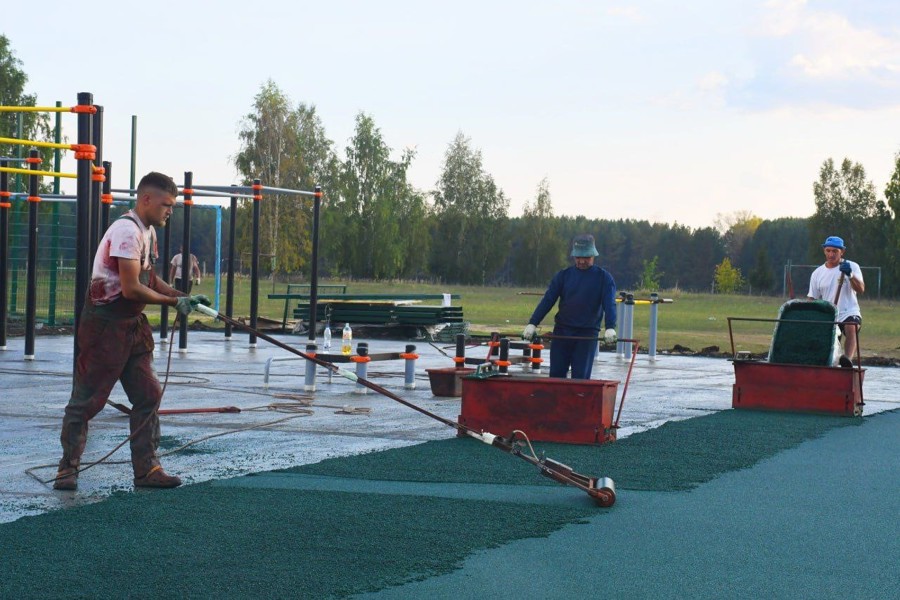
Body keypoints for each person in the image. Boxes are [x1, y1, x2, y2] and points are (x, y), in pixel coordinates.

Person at [54, 172, 210, 491]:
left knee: (148, 394)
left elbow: (149, 280)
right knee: (87, 400)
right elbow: (130, 288)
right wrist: (171, 303)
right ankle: (67, 468)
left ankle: (147, 468)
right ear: (146, 200)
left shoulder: (146, 232)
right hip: (105, 325)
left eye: (173, 205)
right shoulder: (126, 231)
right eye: (166, 204)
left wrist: (185, 297)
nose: (170, 210)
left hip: (131, 326)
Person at [522, 234, 617, 379]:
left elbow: (609, 304)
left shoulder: (604, 278)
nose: (582, 261)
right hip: (562, 332)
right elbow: (548, 300)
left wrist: (610, 327)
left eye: (586, 257)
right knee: (556, 377)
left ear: (593, 255)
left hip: (587, 334)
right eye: (578, 257)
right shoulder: (563, 276)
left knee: (581, 378)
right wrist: (533, 323)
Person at [807, 235, 864, 367]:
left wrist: (850, 275)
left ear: (842, 251)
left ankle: (847, 360)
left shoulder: (852, 266)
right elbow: (812, 299)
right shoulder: (817, 273)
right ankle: (828, 368)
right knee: (828, 348)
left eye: (835, 251)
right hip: (829, 315)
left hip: (849, 311)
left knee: (851, 328)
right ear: (824, 251)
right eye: (828, 251)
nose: (831, 254)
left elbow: (861, 289)